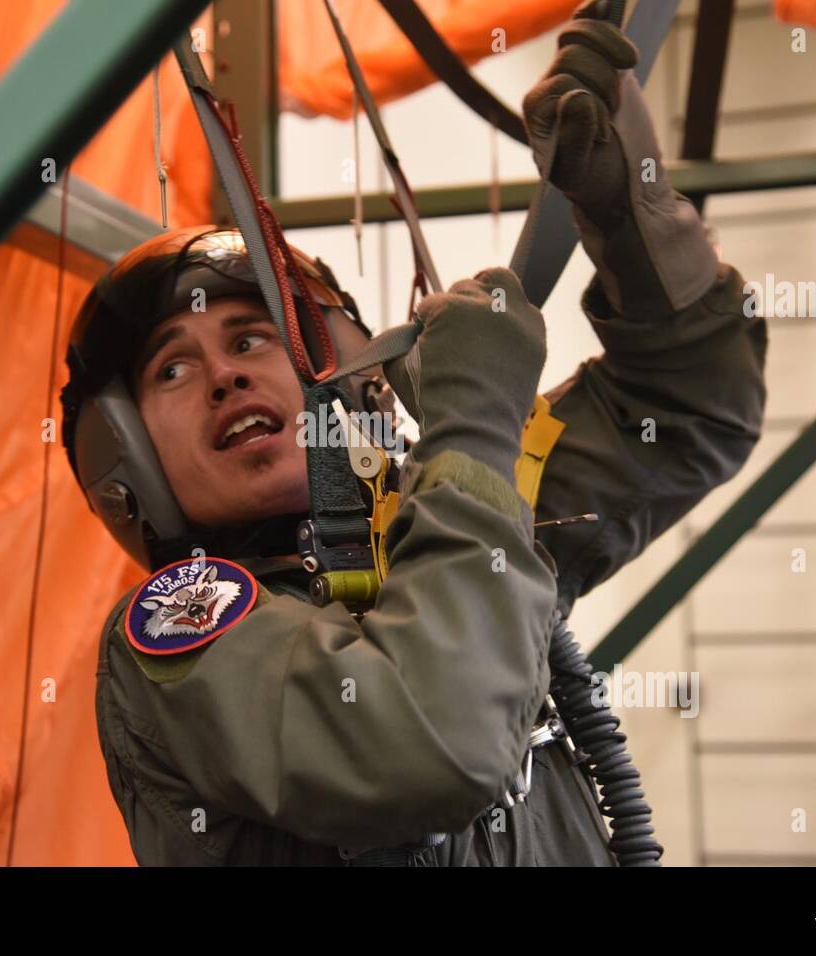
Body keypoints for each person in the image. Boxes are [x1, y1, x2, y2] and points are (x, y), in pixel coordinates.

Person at [60, 7, 766, 866]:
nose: (225, 376)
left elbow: (692, 413)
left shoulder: (448, 521)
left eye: (252, 338)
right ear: (127, 461)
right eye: (172, 369)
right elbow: (430, 746)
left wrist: (628, 210)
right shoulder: (176, 640)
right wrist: (471, 424)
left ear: (351, 377)